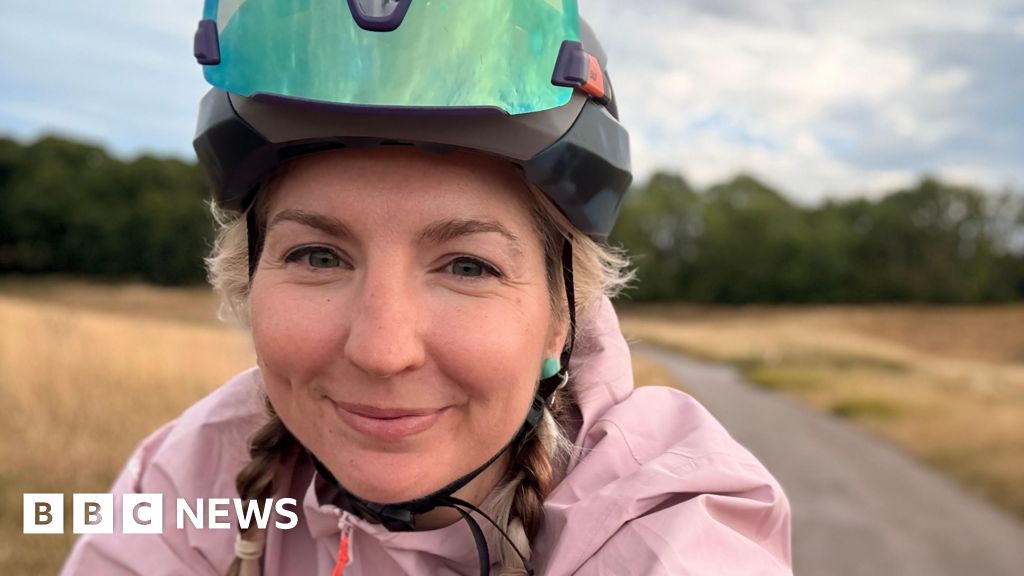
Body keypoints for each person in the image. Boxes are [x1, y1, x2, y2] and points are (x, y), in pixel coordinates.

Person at [63, 1, 791, 574]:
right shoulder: (195, 471)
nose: (382, 351)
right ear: (246, 278)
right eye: (318, 256)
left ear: (561, 317)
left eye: (467, 266)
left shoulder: (660, 521)